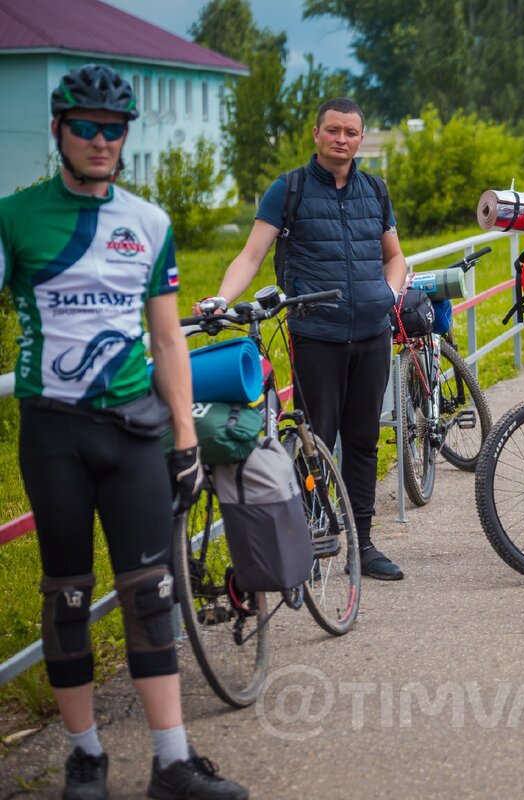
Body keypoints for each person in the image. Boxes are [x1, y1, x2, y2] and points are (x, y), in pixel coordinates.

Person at [0, 64, 247, 799]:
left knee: (150, 592)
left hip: (136, 432)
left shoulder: (149, 221)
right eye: (87, 128)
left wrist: (184, 436)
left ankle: (171, 762)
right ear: (59, 130)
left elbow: (168, 340)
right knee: (68, 595)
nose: (102, 141)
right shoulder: (16, 216)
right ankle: (85, 757)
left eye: (115, 130)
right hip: (54, 435)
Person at [203, 98, 406, 581]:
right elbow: (252, 254)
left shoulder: (375, 190)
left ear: (360, 138)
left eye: (351, 132)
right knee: (316, 438)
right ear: (316, 134)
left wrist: (388, 294)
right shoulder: (288, 189)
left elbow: (394, 256)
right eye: (333, 130)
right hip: (316, 336)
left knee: (362, 440)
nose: (342, 139)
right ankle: (315, 535)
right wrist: (220, 298)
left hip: (372, 334)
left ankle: (364, 542)